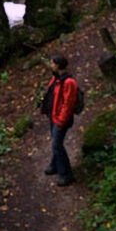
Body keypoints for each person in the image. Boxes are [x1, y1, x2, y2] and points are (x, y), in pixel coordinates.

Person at [39, 54, 78, 186]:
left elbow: (68, 103)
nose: (51, 65)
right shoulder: (56, 78)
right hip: (53, 116)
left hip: (60, 119)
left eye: (52, 63)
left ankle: (66, 174)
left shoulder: (69, 82)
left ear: (58, 65)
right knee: (55, 142)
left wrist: (61, 121)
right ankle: (55, 165)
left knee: (57, 144)